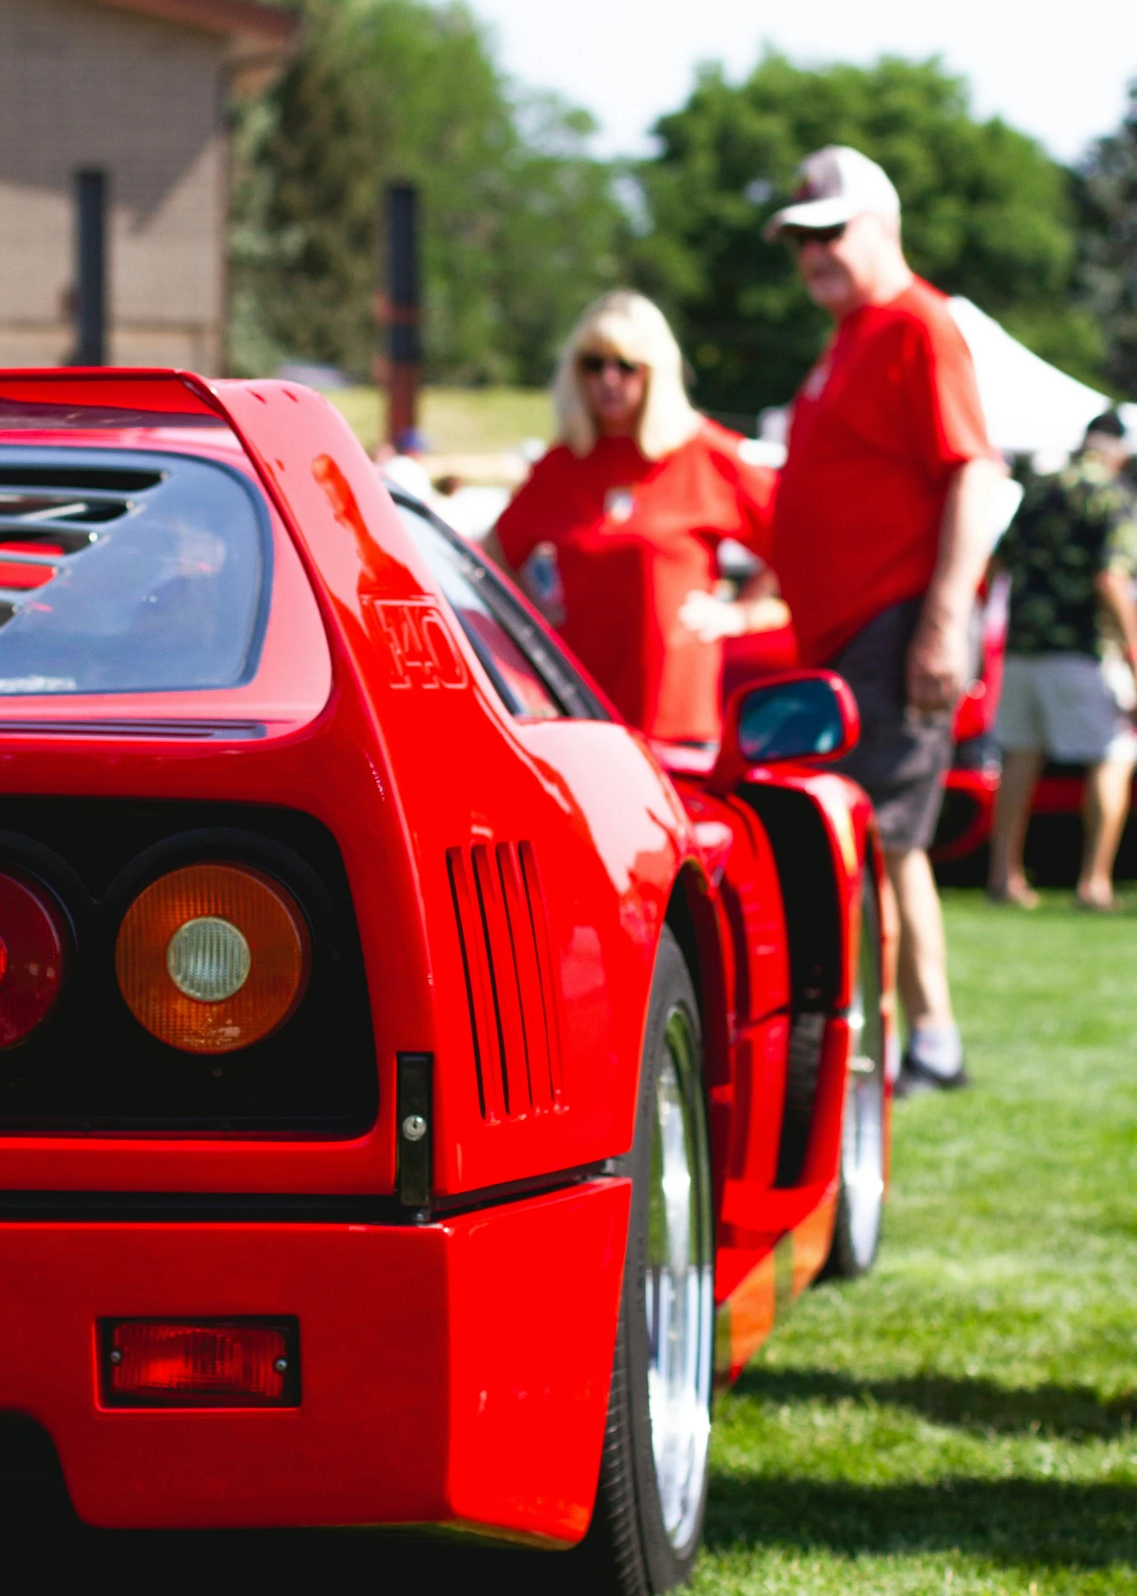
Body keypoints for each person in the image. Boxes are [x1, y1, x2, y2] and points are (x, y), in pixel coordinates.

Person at [765, 146, 1006, 1097]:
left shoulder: (915, 325)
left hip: (892, 625)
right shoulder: (852, 335)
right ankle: (911, 1040)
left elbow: (974, 475)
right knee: (871, 838)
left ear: (879, 226)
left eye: (830, 233)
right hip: (846, 634)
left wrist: (942, 621)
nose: (814, 255)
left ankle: (909, 1043)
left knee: (878, 840)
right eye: (800, 242)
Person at [484, 291, 785, 743]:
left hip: (676, 715)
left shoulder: (703, 453)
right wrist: (535, 615)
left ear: (656, 372)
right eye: (593, 364)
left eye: (626, 365)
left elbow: (796, 536)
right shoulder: (563, 463)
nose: (609, 379)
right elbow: (495, 552)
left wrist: (741, 614)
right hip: (581, 708)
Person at [987, 413, 1137, 911]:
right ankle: (1093, 882)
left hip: (1023, 647)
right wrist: (1135, 650)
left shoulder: (1040, 488)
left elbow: (996, 562)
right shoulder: (1112, 496)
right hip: (1083, 651)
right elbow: (1111, 580)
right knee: (1113, 757)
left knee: (1020, 757)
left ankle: (1004, 877)